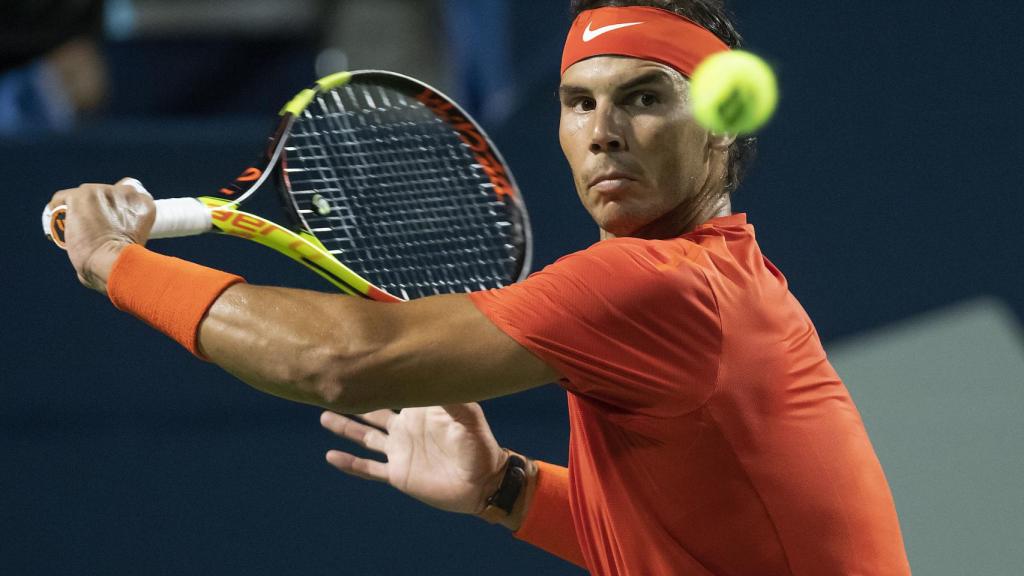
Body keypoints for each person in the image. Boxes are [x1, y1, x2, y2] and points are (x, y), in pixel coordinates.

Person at [49, 0, 912, 573]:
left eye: (645, 98)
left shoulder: (662, 287)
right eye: (579, 103)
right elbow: (696, 547)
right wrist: (509, 488)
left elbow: (342, 362)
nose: (604, 132)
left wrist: (115, 264)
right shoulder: (723, 281)